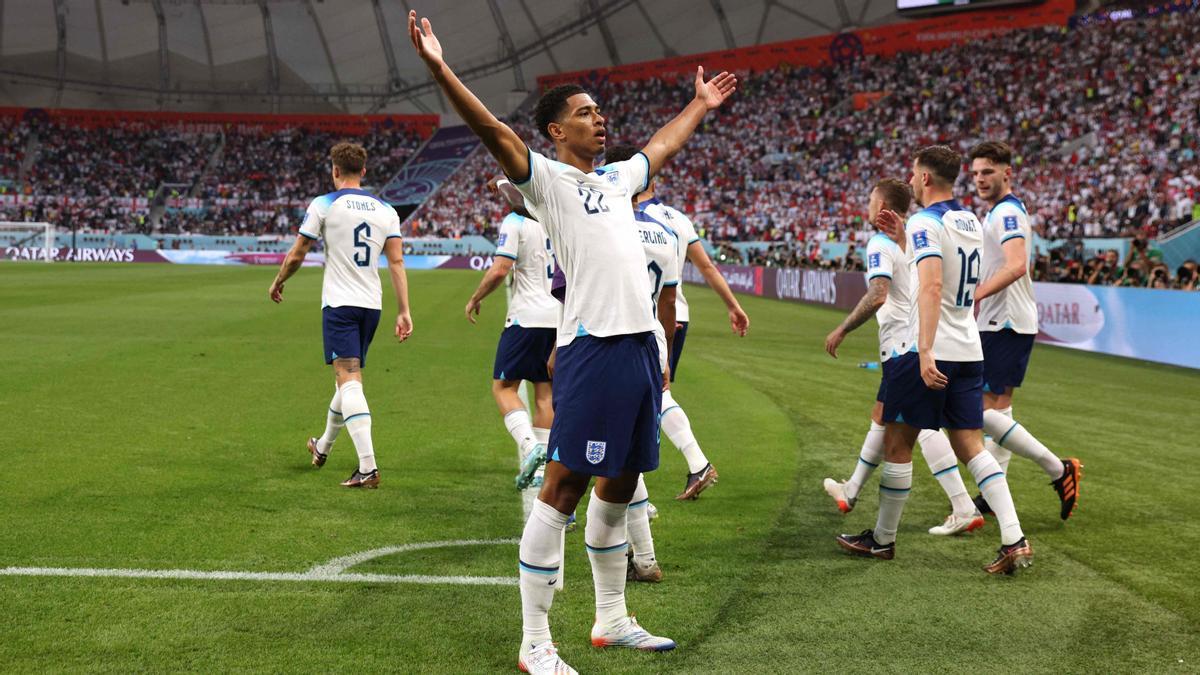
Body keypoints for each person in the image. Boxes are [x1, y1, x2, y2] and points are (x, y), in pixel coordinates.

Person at [408, 10, 736, 673]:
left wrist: (697, 106)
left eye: (599, 111)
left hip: (642, 349)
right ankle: (534, 643)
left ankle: (611, 617)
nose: (599, 119)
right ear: (558, 131)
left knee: (621, 483)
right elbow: (492, 130)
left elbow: (662, 147)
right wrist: (441, 68)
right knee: (564, 487)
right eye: (585, 113)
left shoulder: (618, 181)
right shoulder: (547, 184)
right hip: (594, 351)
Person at [836, 146, 1032, 575]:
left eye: (913, 173)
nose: (910, 179)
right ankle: (1014, 538)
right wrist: (906, 236)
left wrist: (923, 350)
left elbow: (930, 286)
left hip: (929, 347)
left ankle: (883, 540)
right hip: (968, 345)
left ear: (924, 178)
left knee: (898, 442)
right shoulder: (970, 220)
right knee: (971, 446)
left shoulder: (927, 221)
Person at [823, 178, 983, 536]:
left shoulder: (881, 242)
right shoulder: (912, 238)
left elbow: (878, 293)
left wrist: (843, 328)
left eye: (869, 198)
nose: (865, 204)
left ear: (882, 206)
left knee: (912, 427)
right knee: (884, 417)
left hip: (904, 347)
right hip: (919, 341)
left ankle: (947, 509)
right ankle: (851, 491)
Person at [268, 142, 413, 489]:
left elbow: (297, 253)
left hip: (340, 304)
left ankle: (368, 467)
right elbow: (396, 262)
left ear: (334, 170)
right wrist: (404, 310)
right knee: (347, 377)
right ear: (363, 171)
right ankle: (323, 446)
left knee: (348, 378)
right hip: (372, 306)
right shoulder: (387, 211)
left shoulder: (324, 204)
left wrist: (279, 280)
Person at [968, 141, 1082, 521]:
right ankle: (991, 492)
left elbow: (1017, 265)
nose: (980, 179)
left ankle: (1056, 468)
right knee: (998, 409)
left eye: (988, 171)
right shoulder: (999, 212)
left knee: (980, 410)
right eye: (976, 173)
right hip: (1002, 320)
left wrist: (975, 296)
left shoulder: (1007, 213)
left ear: (1007, 172)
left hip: (1006, 321)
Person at [637, 169, 750, 500]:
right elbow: (708, 267)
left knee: (651, 395)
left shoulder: (625, 217)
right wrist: (733, 306)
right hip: (677, 314)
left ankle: (680, 472)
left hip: (650, 316)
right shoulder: (678, 219)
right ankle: (693, 465)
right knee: (656, 394)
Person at [464, 180, 559, 518]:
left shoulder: (514, 223)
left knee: (503, 387)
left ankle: (531, 447)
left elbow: (501, 268)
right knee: (545, 396)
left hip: (526, 319)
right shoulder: (556, 221)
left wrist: (475, 298)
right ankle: (549, 476)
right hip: (558, 319)